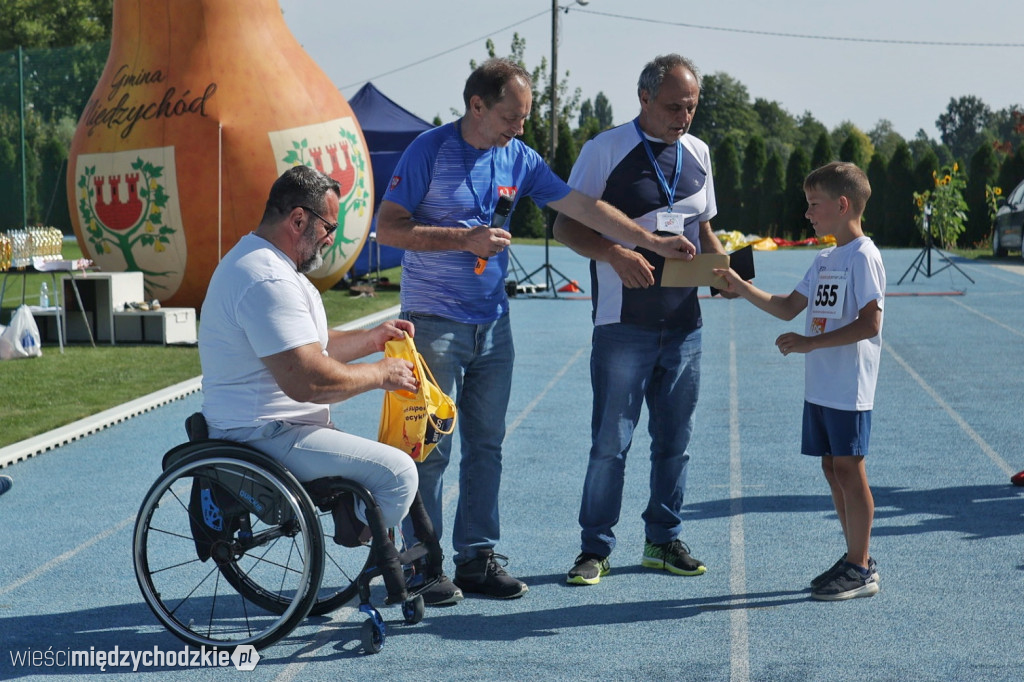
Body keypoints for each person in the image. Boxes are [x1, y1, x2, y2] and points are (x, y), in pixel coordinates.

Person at [376, 57, 697, 604]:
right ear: (476, 106)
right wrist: (465, 240)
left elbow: (581, 207)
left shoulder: (518, 157)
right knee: (427, 449)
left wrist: (648, 241)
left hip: (493, 326)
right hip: (432, 325)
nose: (519, 128)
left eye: (525, 117)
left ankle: (475, 557)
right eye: (511, 116)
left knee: (488, 445)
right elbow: (389, 229)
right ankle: (419, 565)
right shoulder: (428, 150)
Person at [553, 54, 728, 586]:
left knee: (675, 440)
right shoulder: (604, 150)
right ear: (645, 98)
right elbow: (565, 227)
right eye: (674, 106)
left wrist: (723, 272)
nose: (684, 116)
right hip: (622, 325)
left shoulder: (698, 152)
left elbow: (704, 231)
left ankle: (663, 540)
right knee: (612, 443)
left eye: (692, 107)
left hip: (685, 326)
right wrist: (613, 254)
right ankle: (594, 549)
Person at [198, 165, 420, 538]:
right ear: (299, 219)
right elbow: (307, 381)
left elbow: (310, 344)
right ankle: (363, 537)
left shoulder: (263, 263)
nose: (331, 238)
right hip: (263, 434)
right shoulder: (266, 279)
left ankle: (373, 536)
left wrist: (371, 339)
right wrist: (381, 374)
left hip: (270, 427)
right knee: (398, 473)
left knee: (393, 460)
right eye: (329, 227)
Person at [714, 161, 885, 601]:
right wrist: (739, 286)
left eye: (814, 205)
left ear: (842, 205)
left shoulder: (864, 255)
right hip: (823, 385)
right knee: (832, 467)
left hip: (849, 384)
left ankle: (861, 566)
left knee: (850, 467)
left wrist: (810, 344)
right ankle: (854, 556)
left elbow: (871, 324)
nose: (807, 214)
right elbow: (789, 306)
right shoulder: (826, 257)